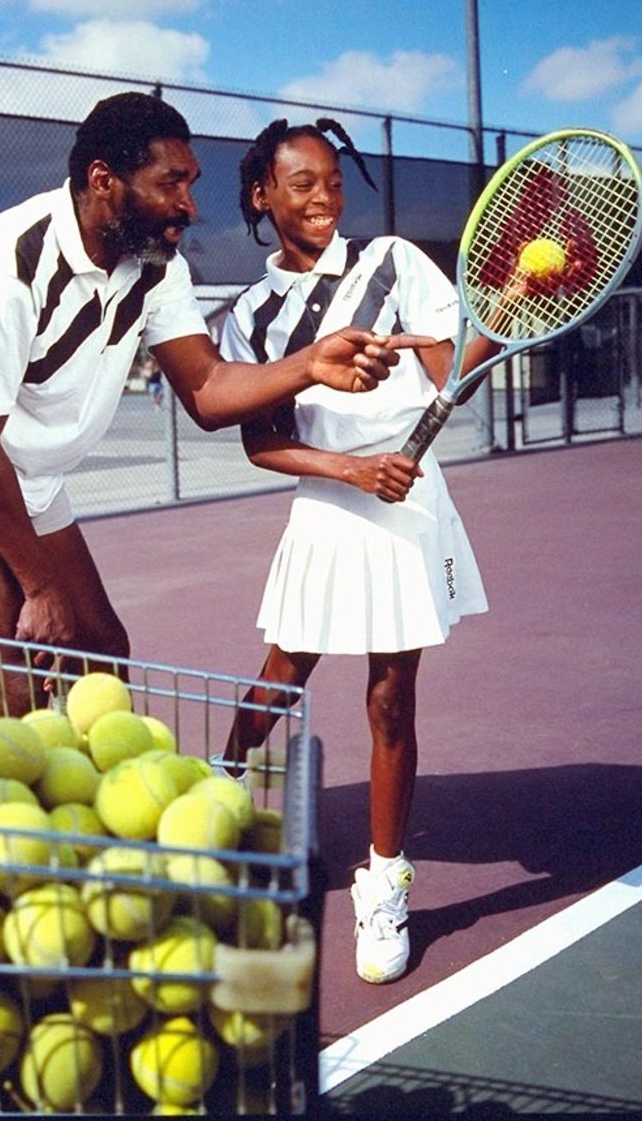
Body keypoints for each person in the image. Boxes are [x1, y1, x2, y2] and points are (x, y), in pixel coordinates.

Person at [0, 93, 434, 717]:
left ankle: (91, 804)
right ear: (103, 181)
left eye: (190, 184)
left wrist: (308, 365)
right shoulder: (2, 263)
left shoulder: (157, 266)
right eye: (172, 184)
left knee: (101, 652)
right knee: (14, 678)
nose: (189, 206)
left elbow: (207, 391)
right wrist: (40, 588)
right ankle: (10, 811)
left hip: (31, 473)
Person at [217, 118, 505, 987]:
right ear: (264, 195)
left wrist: (463, 340)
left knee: (390, 697)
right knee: (280, 672)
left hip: (408, 503)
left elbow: (466, 359)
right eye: (302, 184)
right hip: (330, 502)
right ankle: (220, 787)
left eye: (334, 183)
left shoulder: (393, 261)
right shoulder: (248, 316)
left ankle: (383, 882)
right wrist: (350, 468)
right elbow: (260, 442)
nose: (322, 199)